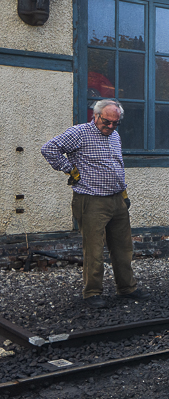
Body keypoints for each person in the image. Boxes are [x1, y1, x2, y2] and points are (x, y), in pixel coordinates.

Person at [41, 99, 151, 309]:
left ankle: (127, 288)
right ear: (95, 115)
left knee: (123, 248)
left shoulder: (115, 136)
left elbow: (117, 164)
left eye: (115, 123)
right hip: (91, 200)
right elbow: (49, 148)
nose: (110, 127)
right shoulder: (79, 133)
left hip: (117, 198)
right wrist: (70, 169)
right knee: (94, 250)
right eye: (106, 122)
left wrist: (124, 193)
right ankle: (92, 292)